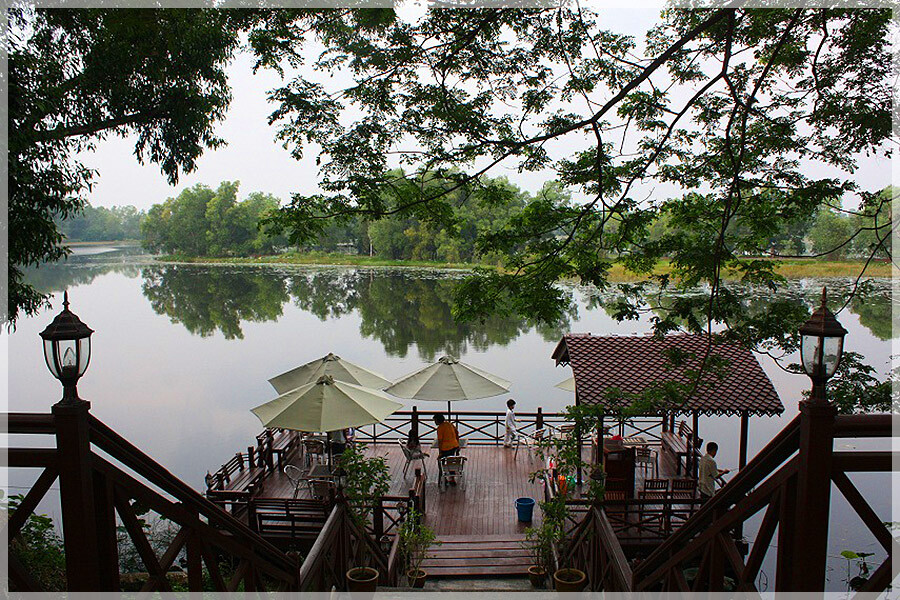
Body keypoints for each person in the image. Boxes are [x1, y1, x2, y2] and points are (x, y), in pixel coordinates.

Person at [433, 413, 460, 485]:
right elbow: (457, 432)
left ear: (438, 420)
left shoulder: (440, 428)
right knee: (451, 461)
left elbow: (440, 441)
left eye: (435, 420)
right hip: (455, 446)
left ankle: (443, 476)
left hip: (446, 448)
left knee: (440, 461)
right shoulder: (449, 424)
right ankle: (452, 478)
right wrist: (457, 442)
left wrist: (440, 452)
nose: (434, 422)